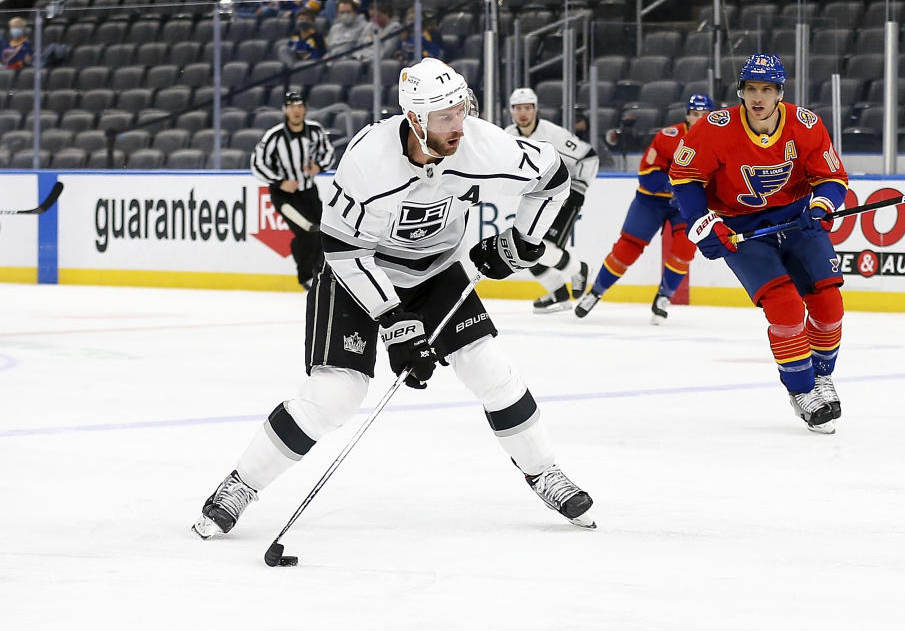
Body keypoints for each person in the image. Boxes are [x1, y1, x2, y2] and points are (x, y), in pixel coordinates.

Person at [192, 59, 595, 539]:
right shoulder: (369, 160)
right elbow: (340, 248)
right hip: (356, 274)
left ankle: (543, 470)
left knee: (492, 368)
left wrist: (524, 242)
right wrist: (395, 321)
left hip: (435, 270)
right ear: (415, 120)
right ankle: (240, 484)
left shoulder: (482, 143)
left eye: (461, 110)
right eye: (444, 117)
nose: (458, 125)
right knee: (336, 396)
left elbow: (551, 177)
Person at [668, 54, 848, 435]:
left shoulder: (805, 124)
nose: (758, 97)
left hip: (799, 218)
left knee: (829, 306)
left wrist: (821, 204)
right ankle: (801, 392)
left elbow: (832, 178)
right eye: (751, 89)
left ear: (779, 93)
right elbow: (685, 177)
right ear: (741, 92)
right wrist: (704, 223)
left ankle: (821, 377)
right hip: (740, 226)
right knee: (784, 308)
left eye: (766, 89)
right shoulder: (714, 128)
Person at [575, 94, 715, 324]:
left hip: (687, 206)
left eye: (704, 115)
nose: (699, 119)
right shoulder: (667, 136)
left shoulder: (719, 142)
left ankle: (664, 297)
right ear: (687, 115)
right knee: (626, 248)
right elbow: (646, 175)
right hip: (652, 201)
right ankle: (595, 292)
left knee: (684, 249)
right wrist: (674, 185)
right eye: (695, 114)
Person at [504, 87, 598, 313]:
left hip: (566, 194)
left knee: (544, 247)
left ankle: (579, 269)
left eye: (528, 108)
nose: (523, 113)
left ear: (536, 110)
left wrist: (579, 188)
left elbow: (588, 156)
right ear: (511, 111)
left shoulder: (553, 134)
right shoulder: (507, 135)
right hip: (537, 197)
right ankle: (558, 294)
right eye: (518, 108)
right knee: (523, 248)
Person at [250, 90, 334, 289]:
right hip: (284, 196)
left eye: (299, 106)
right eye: (291, 107)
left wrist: (319, 167)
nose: (296, 111)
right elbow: (257, 164)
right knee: (307, 230)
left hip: (308, 192)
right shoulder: (274, 136)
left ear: (305, 109)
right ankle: (306, 276)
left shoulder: (315, 130)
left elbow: (328, 153)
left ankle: (318, 273)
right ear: (285, 110)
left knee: (322, 232)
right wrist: (280, 182)